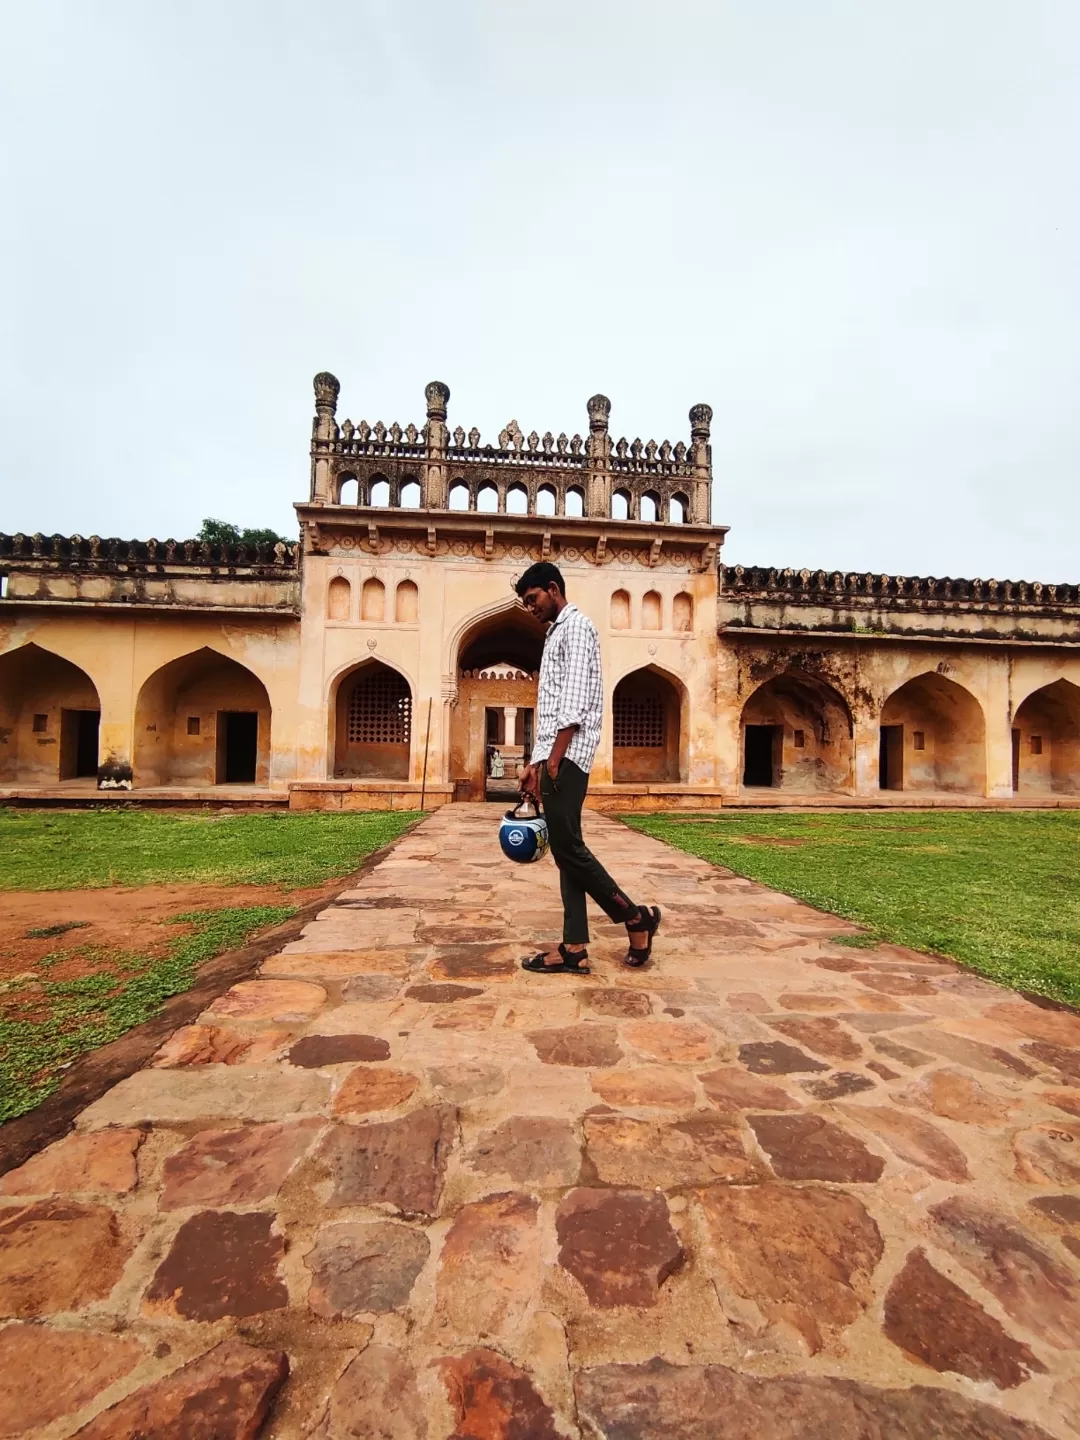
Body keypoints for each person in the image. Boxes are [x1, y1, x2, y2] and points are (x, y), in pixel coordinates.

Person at [515, 561, 661, 974]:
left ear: (553, 588)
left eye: (533, 599)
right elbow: (551, 708)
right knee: (566, 852)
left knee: (570, 851)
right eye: (525, 604)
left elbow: (574, 704)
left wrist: (555, 760)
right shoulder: (556, 631)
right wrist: (534, 763)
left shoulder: (577, 627)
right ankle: (575, 946)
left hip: (570, 755)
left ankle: (635, 918)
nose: (530, 608)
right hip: (556, 755)